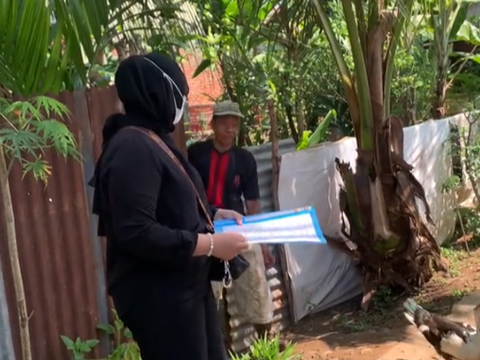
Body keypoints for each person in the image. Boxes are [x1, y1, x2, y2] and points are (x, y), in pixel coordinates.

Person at [89, 53, 249, 360]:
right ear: (156, 93)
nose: (183, 103)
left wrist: (214, 214)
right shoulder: (132, 147)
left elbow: (172, 203)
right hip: (161, 298)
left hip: (185, 287)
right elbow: (137, 232)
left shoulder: (153, 139)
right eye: (179, 94)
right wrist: (213, 244)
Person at [187, 101, 278, 342]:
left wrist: (264, 242)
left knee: (255, 276)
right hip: (205, 229)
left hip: (238, 228)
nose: (230, 128)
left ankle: (266, 336)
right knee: (210, 288)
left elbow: (253, 203)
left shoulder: (245, 159)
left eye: (234, 123)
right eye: (225, 123)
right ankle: (218, 344)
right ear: (213, 124)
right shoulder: (196, 154)